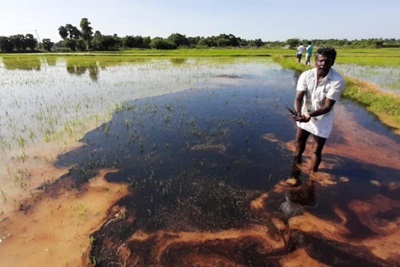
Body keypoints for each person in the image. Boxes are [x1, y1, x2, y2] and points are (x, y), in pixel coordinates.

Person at [292, 47, 345, 173]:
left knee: (316, 150)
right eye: (321, 61)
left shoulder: (337, 81)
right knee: (299, 141)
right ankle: (296, 164)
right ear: (315, 61)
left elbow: (327, 107)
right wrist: (299, 113)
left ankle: (312, 177)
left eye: (327, 61)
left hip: (323, 118)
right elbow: (298, 97)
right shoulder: (306, 75)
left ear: (333, 62)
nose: (323, 64)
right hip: (305, 114)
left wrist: (309, 115)